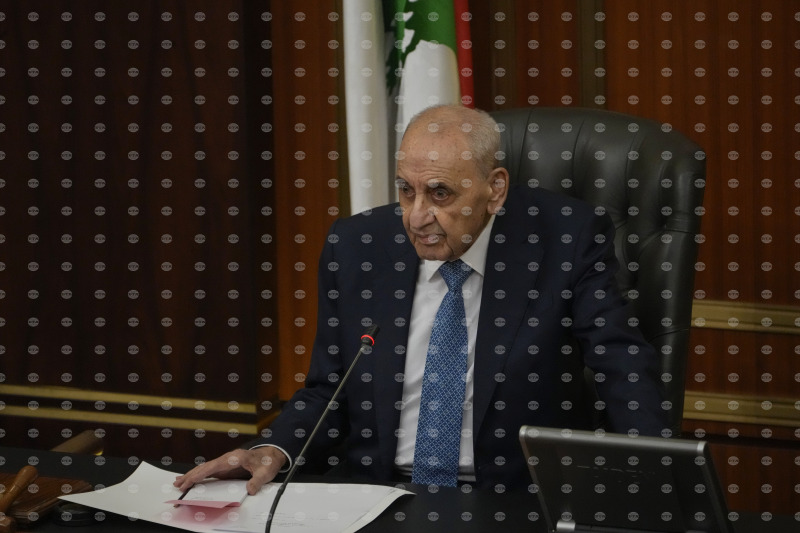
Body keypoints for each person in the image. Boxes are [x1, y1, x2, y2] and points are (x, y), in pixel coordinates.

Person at [174, 104, 667, 495]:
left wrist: (658, 484)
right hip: (378, 498)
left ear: (495, 190)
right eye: (406, 191)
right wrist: (274, 450)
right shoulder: (358, 246)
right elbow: (329, 389)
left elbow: (620, 363)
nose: (416, 216)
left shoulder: (566, 239)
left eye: (440, 194)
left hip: (511, 502)